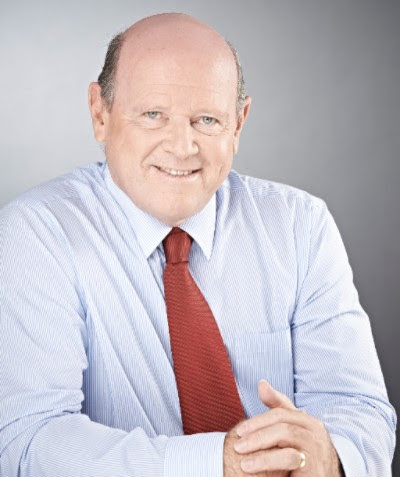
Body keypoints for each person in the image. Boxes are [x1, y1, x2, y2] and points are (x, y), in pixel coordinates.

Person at [0, 12, 396, 477]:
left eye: (206, 120)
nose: (181, 146)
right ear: (100, 114)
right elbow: (30, 443)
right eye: (153, 115)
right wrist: (219, 464)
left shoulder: (299, 226)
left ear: (238, 124)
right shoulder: (39, 233)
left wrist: (327, 457)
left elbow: (360, 410)